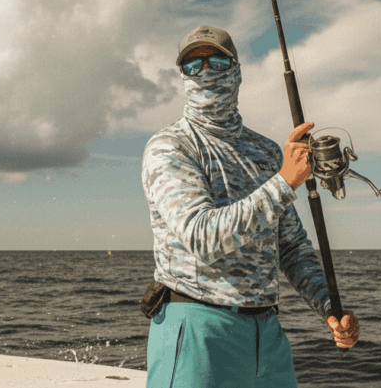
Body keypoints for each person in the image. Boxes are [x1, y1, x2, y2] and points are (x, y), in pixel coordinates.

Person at [142, 25, 360, 387]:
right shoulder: (170, 147)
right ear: (183, 77)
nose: (206, 73)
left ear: (237, 72)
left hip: (266, 335)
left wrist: (329, 307)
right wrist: (285, 181)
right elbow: (202, 237)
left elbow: (290, 246)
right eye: (193, 66)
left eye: (216, 62)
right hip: (196, 327)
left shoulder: (267, 152)